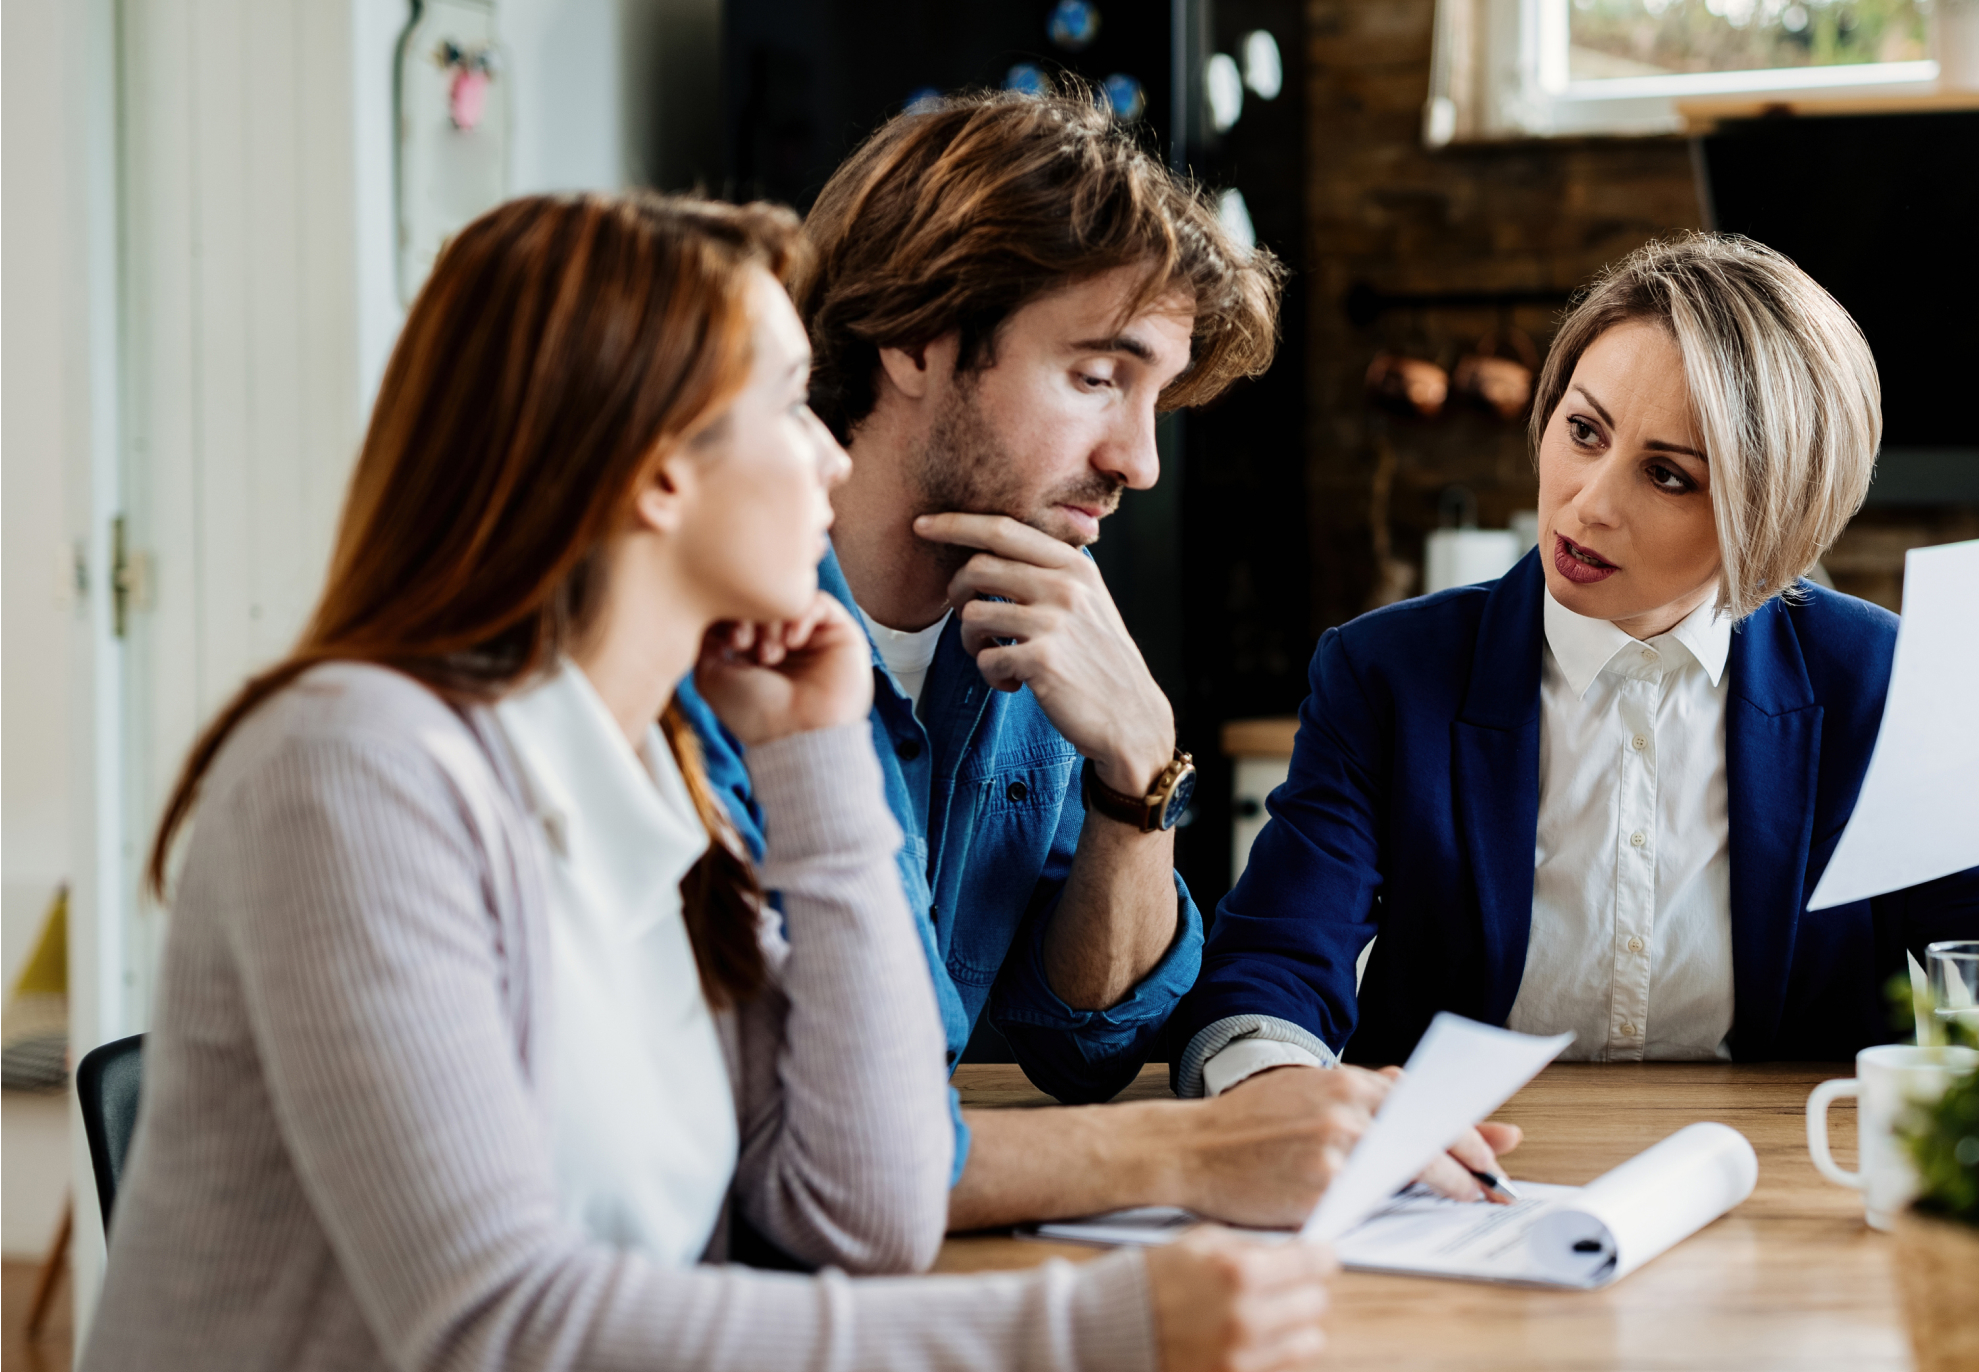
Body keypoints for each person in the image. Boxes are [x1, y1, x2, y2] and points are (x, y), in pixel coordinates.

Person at [84, 191, 1334, 1372]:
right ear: (658, 468)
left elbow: (867, 1203)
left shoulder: (665, 762)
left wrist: (820, 758)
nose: (834, 461)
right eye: (792, 403)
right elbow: (497, 1326)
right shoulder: (358, 769)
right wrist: (1075, 1331)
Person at [1166, 233, 1979, 1100]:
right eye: (1584, 429)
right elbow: (1264, 979)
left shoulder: (1870, 683)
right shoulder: (1386, 673)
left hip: (1777, 1199)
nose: (1587, 501)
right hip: (1452, 1191)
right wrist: (1289, 1105)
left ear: (1773, 518)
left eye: (1669, 475)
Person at [674, 87, 1518, 1232]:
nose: (1137, 460)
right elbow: (809, 1136)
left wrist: (1140, 774)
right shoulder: (706, 649)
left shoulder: (1035, 634)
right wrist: (1204, 1144)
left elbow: (1087, 1043)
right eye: (1095, 378)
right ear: (916, 337)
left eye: (1156, 399)